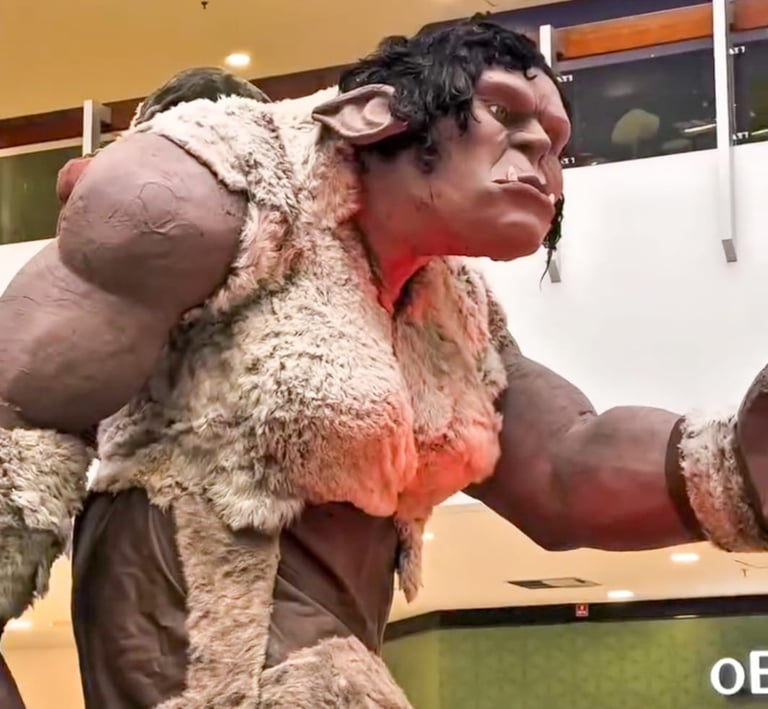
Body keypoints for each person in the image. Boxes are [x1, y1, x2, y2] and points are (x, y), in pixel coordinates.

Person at [1, 17, 767, 709]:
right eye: (505, 112)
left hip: (329, 661)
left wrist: (741, 458)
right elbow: (16, 413)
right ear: (375, 114)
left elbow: (561, 465)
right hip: (198, 649)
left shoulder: (452, 308)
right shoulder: (211, 187)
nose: (542, 149)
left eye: (557, 139)